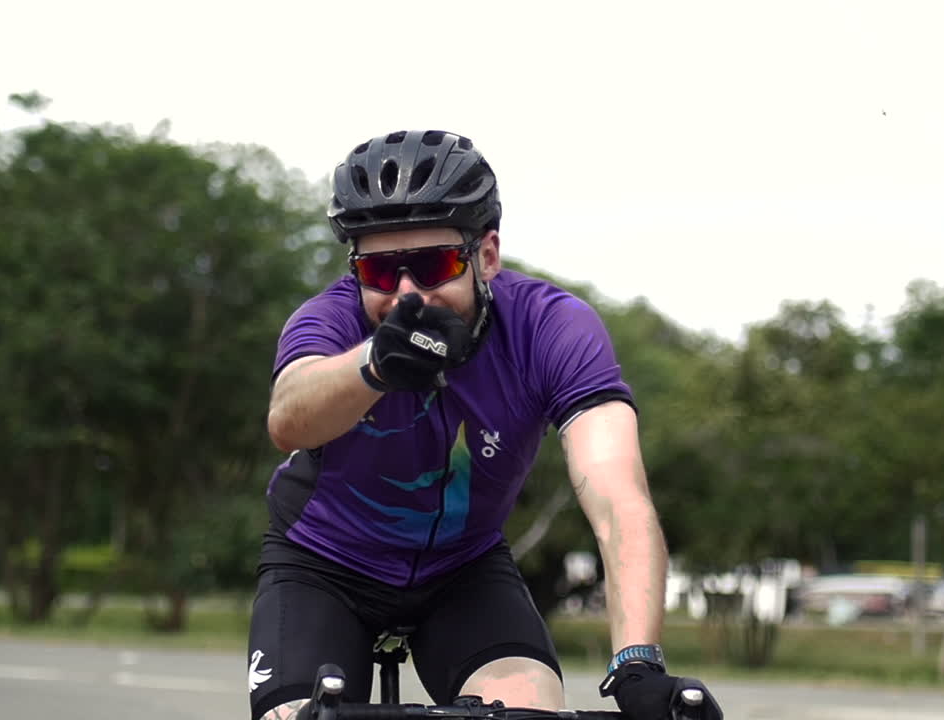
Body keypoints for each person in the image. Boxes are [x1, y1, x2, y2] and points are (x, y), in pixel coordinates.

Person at [248, 130, 722, 720]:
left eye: (432, 264)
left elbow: (618, 497)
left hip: (462, 570)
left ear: (486, 256)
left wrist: (638, 661)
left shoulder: (552, 329)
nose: (404, 295)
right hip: (322, 565)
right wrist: (374, 363)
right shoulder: (330, 320)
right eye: (377, 270)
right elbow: (288, 418)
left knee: (528, 710)